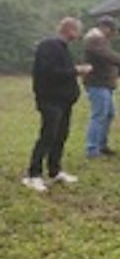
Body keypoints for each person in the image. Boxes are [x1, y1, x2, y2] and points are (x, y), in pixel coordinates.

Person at [24, 17, 92, 192]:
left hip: (64, 101)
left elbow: (62, 71)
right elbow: (49, 72)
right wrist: (77, 70)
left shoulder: (62, 48)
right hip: (50, 100)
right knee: (47, 136)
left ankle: (55, 171)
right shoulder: (49, 46)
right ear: (69, 29)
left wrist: (74, 71)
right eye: (78, 30)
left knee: (60, 136)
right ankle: (33, 175)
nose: (79, 35)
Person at [83, 15, 120, 158]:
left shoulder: (101, 40)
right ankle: (92, 149)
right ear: (105, 28)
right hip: (97, 84)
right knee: (99, 115)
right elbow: (109, 56)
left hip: (105, 84)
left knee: (109, 114)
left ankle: (102, 146)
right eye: (113, 30)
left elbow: (110, 55)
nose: (114, 33)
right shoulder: (94, 40)